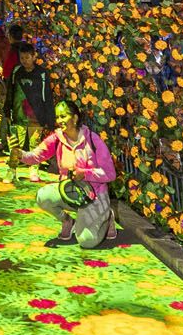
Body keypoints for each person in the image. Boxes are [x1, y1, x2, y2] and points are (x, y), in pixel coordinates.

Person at [18, 99, 116, 249]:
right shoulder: (57, 138)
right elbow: (36, 155)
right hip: (70, 193)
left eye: (63, 116)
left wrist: (85, 174)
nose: (59, 121)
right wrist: (20, 155)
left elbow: (110, 174)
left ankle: (107, 217)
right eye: (57, 117)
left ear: (75, 118)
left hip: (94, 197)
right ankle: (68, 221)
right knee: (43, 196)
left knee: (86, 241)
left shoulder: (93, 140)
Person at [4, 42, 54, 182]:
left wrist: (49, 118)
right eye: (22, 58)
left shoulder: (42, 73)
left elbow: (47, 96)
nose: (25, 61)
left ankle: (34, 169)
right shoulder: (16, 72)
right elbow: (10, 91)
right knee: (15, 144)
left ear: (34, 56)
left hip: (36, 116)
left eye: (27, 57)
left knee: (35, 144)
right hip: (18, 114)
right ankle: (12, 170)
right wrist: (7, 110)